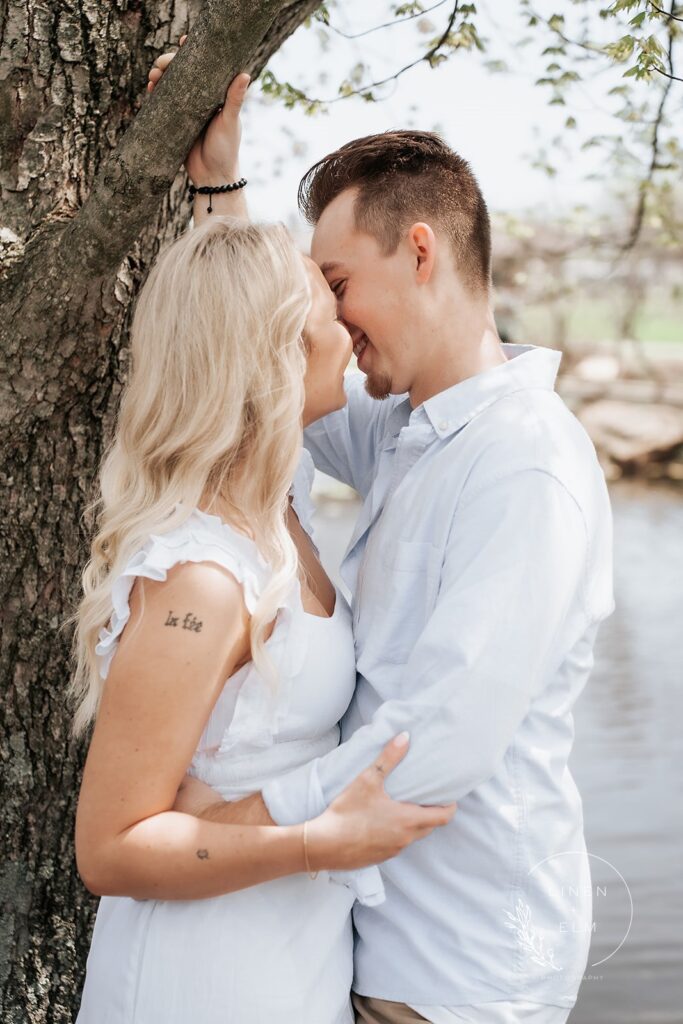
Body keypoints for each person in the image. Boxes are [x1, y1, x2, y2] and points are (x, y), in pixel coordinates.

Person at [149, 48, 615, 1024]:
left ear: (418, 250)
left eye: (335, 282)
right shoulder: (410, 429)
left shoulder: (521, 463)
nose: (328, 315)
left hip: (461, 962)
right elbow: (282, 386)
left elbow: (439, 735)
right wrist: (218, 188)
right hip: (381, 943)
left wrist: (226, 824)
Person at [69, 215, 456, 1024]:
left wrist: (223, 187)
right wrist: (317, 845)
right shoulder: (201, 584)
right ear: (274, 352)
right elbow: (109, 848)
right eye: (327, 309)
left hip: (293, 947)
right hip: (203, 968)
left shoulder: (281, 513)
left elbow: (223, 297)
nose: (349, 328)